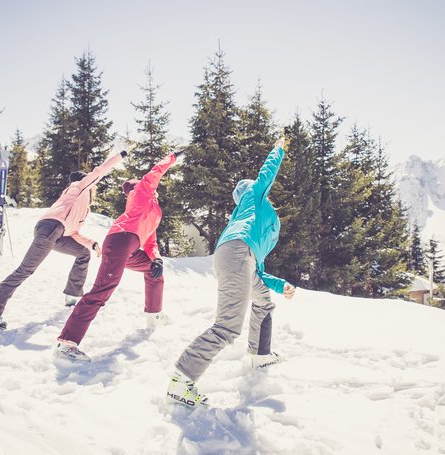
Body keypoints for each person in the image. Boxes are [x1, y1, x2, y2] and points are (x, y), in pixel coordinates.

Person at [167, 138, 296, 407]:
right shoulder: (253, 197)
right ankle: (182, 380)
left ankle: (260, 354)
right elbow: (266, 174)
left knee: (263, 301)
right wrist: (278, 148)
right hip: (237, 255)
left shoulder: (252, 215)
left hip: (241, 257)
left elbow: (256, 269)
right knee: (227, 326)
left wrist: (280, 284)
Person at [54, 150, 182, 362]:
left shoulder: (152, 210)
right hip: (120, 242)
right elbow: (156, 172)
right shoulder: (142, 193)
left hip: (129, 245)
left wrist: (157, 257)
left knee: (153, 269)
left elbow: (150, 239)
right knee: (101, 291)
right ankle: (66, 344)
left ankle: (153, 314)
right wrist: (173, 157)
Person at [0, 150, 128, 329]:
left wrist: (93, 243)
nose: (93, 186)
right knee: (25, 270)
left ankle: (73, 295)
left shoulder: (80, 204)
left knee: (83, 253)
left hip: (57, 233)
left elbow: (73, 232)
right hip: (50, 229)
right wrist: (121, 155)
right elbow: (99, 171)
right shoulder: (78, 188)